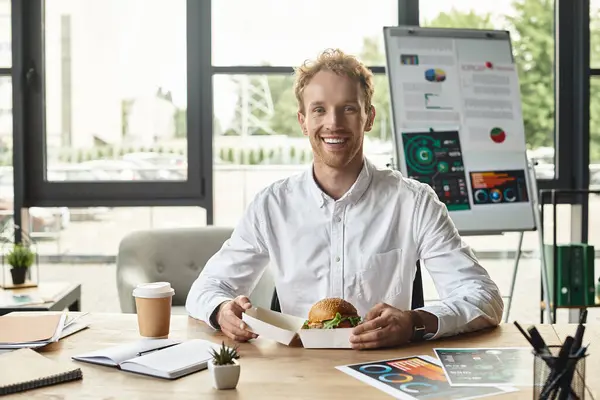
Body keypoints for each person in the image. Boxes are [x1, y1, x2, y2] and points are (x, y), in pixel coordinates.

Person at [186, 48, 504, 350]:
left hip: (385, 370)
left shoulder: (415, 203)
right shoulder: (272, 206)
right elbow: (206, 289)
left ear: (368, 118)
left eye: (348, 108)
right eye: (319, 109)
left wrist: (415, 322)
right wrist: (221, 310)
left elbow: (484, 297)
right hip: (297, 371)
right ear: (303, 121)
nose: (333, 123)